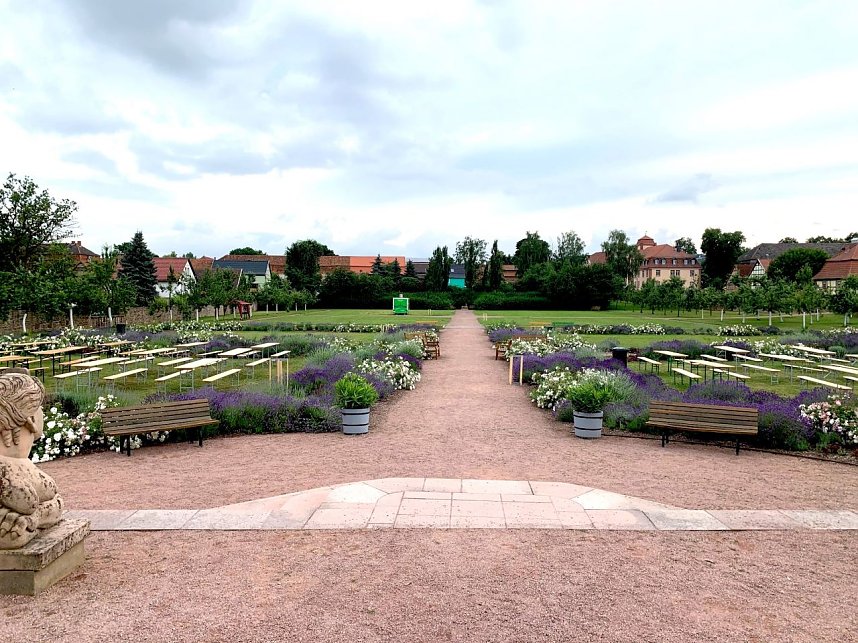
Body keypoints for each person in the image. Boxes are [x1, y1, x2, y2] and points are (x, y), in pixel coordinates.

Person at [0, 372, 63, 549]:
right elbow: (28, 502)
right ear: (31, 419)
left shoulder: (18, 466)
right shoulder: (8, 467)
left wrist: (35, 517)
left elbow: (53, 500)